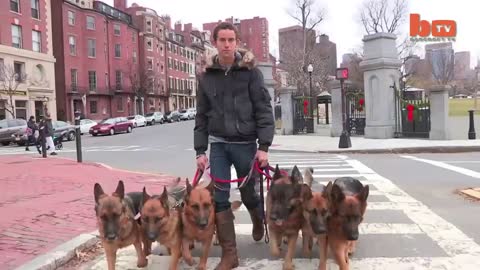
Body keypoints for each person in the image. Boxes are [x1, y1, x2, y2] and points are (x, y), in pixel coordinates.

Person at [194, 22, 274, 270]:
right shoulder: (207, 76)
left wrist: (264, 146)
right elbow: (201, 115)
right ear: (215, 43)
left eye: (231, 40)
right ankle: (230, 255)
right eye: (222, 40)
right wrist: (200, 150)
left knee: (248, 191)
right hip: (219, 144)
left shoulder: (251, 73)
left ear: (237, 42)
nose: (227, 44)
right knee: (219, 196)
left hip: (245, 143)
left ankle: (258, 218)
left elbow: (263, 109)